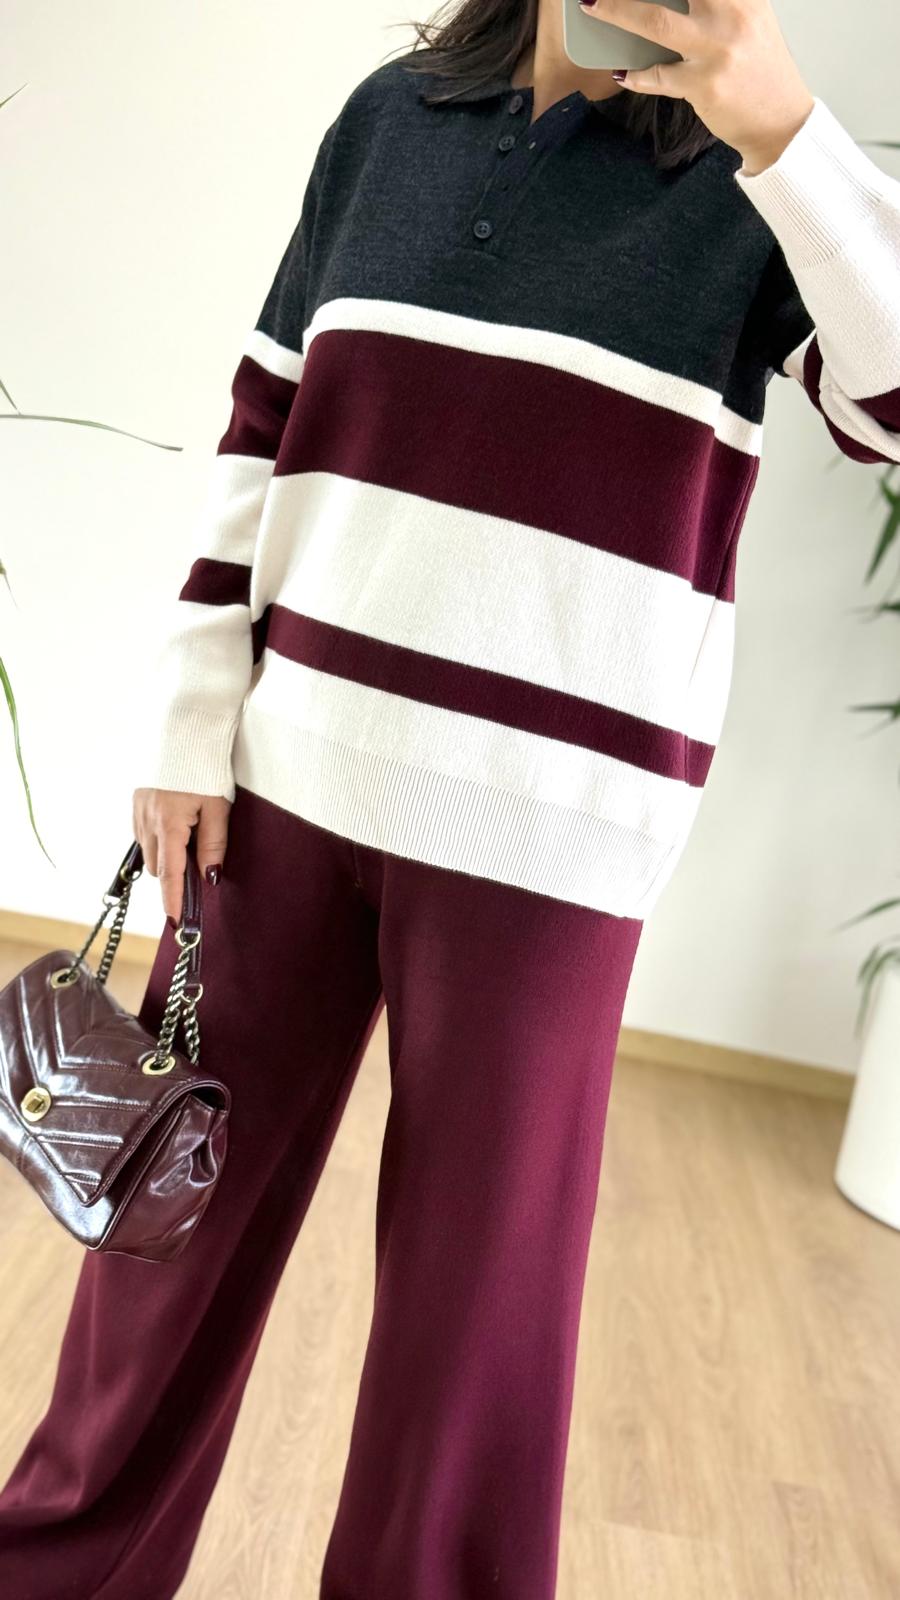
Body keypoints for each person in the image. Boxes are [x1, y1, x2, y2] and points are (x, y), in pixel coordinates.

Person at [2, 1, 898, 1596]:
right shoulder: (392, 117)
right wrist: (190, 721)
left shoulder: (755, 169)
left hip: (547, 842)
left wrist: (784, 133)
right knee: (157, 1244)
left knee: (475, 1320)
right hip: (281, 786)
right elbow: (263, 420)